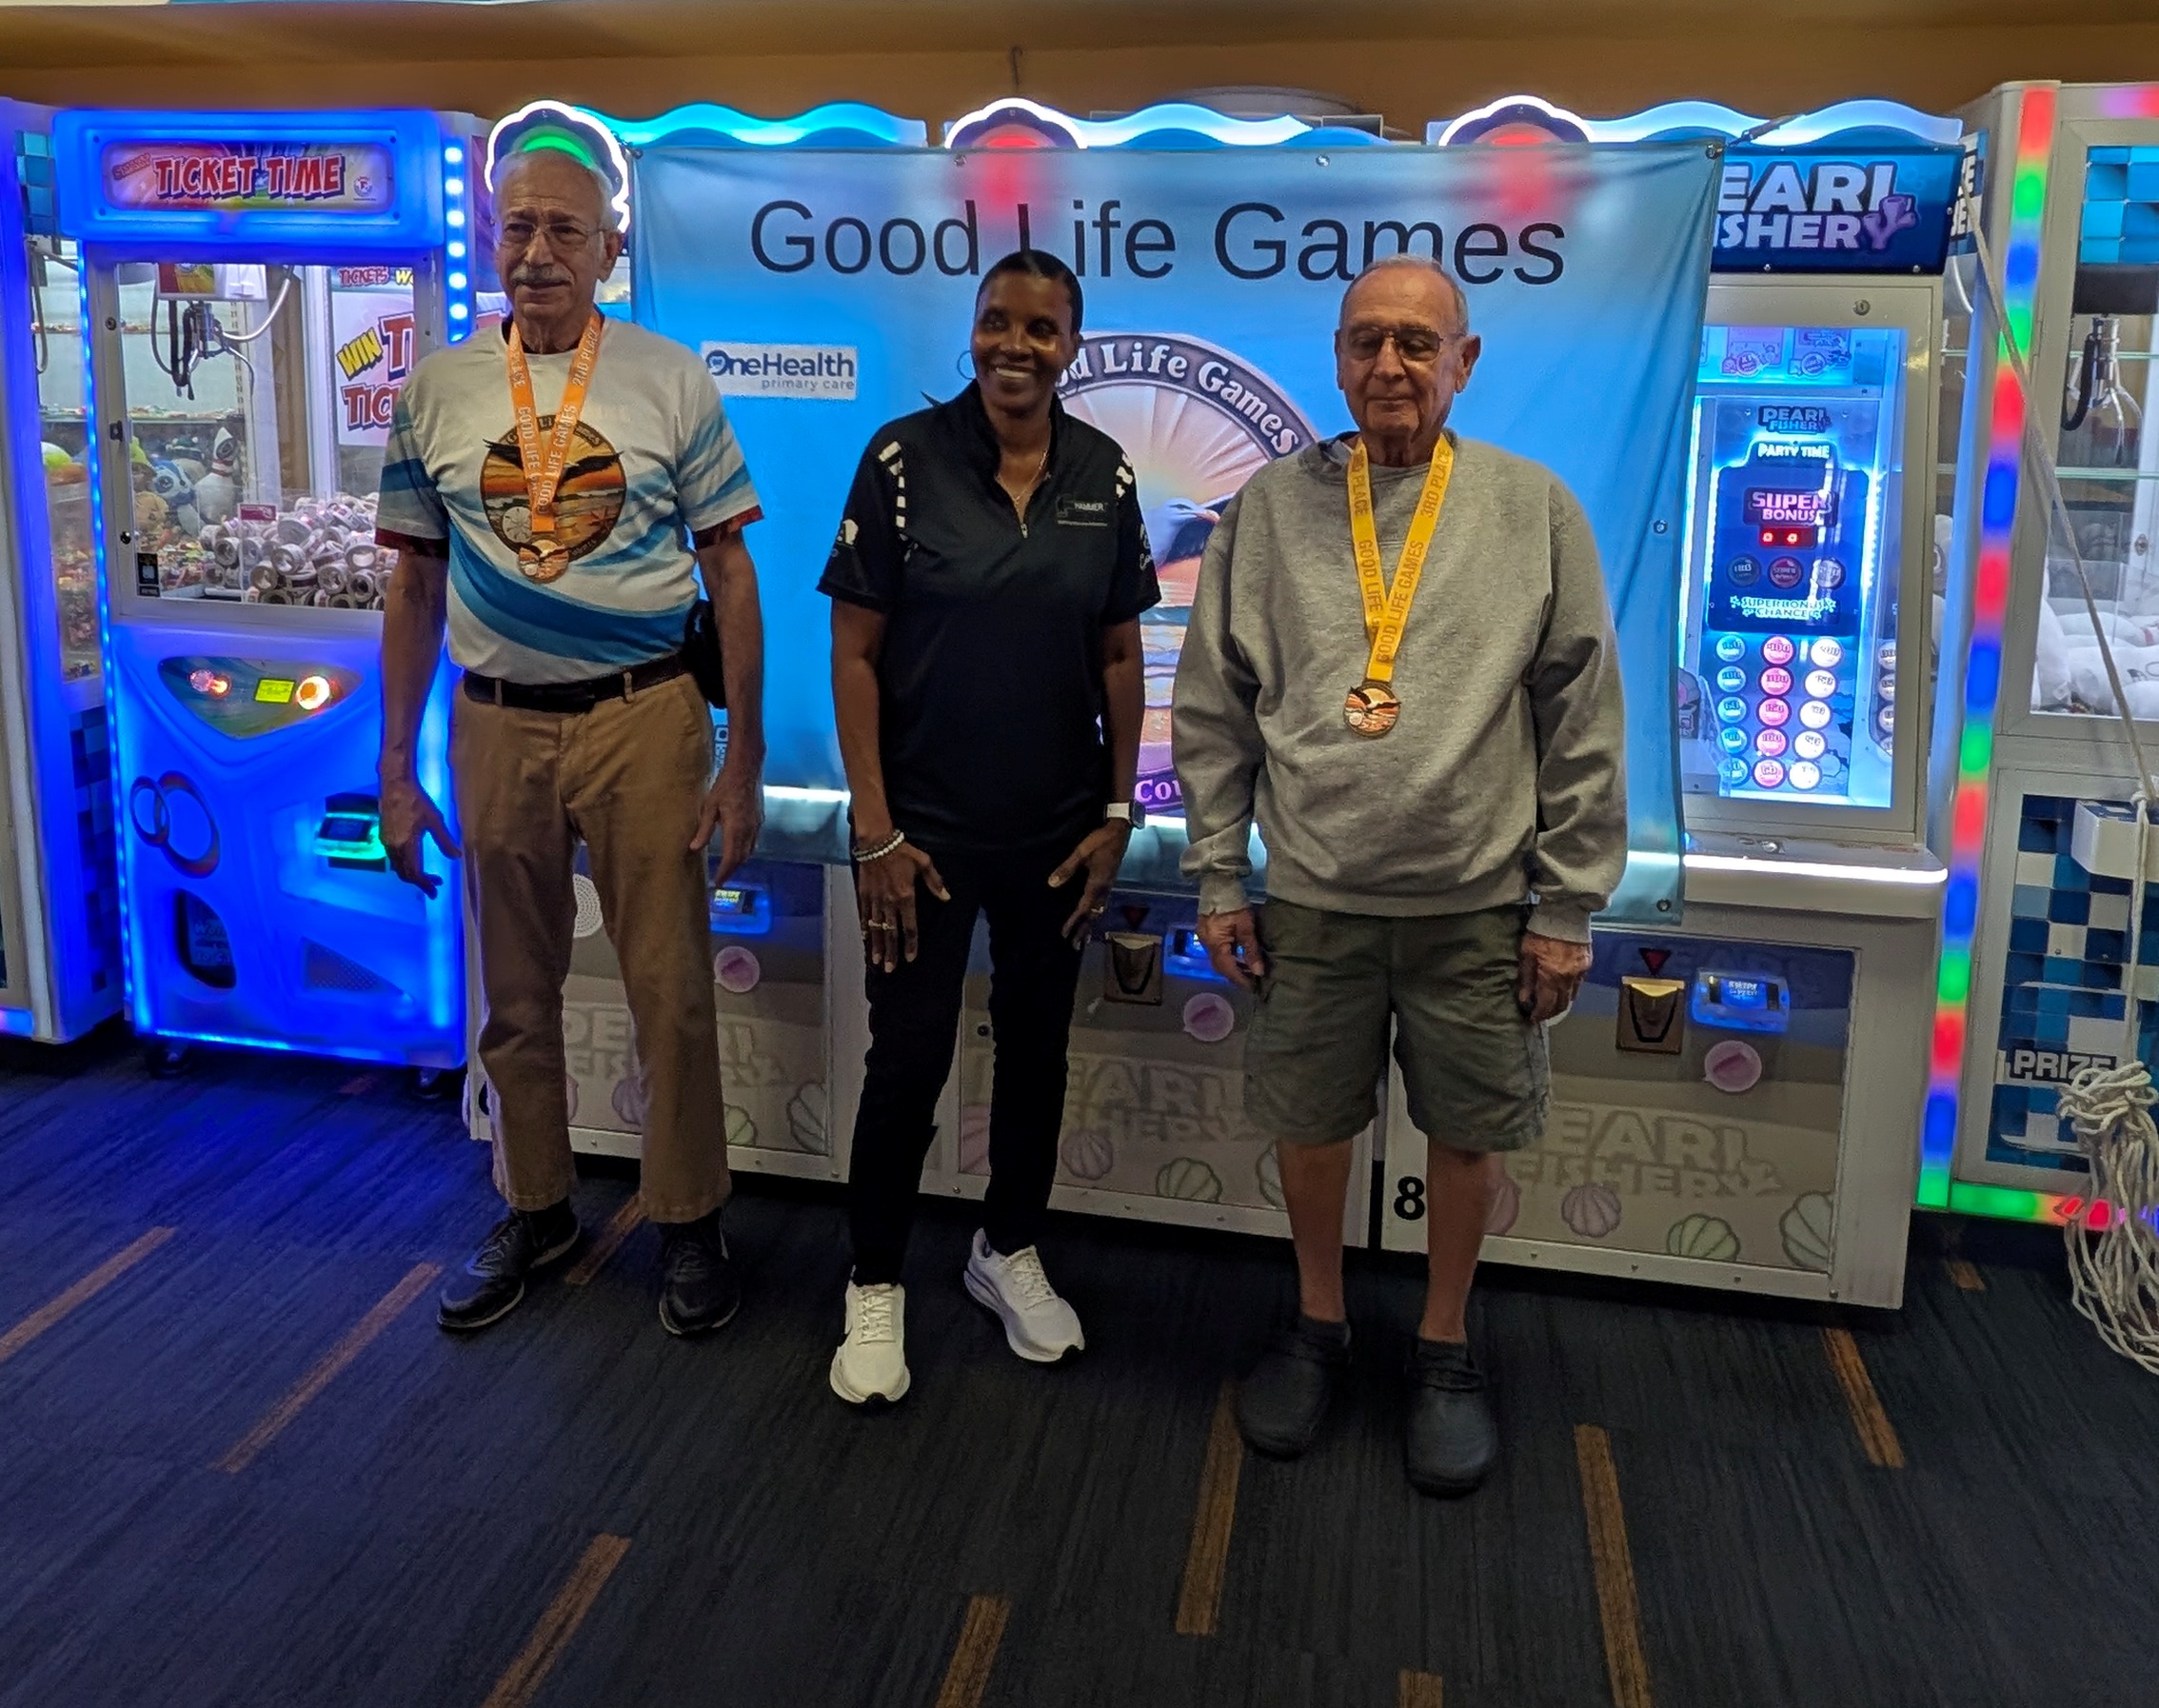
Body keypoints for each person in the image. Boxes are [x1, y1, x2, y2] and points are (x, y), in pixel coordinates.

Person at [1171, 258, 1626, 1497]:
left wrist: (1566, 903)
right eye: (1368, 341)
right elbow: (1213, 706)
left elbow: (1583, 716)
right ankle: (1318, 1322)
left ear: (1464, 363)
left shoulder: (1534, 509)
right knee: (1310, 1125)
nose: (1391, 366)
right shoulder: (1268, 510)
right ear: (1335, 357)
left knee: (1468, 1137)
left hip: (1477, 905)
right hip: (1312, 899)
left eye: (1419, 344)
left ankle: (1444, 1347)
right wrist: (1219, 878)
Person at [375, 110, 766, 1341]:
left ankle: (688, 1218)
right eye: (519, 228)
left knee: (672, 990)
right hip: (496, 725)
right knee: (513, 992)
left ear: (609, 248)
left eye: (565, 229)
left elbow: (732, 572)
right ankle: (536, 1206)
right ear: (492, 240)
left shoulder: (668, 378)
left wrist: (746, 759)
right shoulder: (437, 390)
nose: (538, 252)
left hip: (645, 717)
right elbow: (412, 586)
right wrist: (395, 769)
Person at [819, 248, 1159, 1408]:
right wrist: (875, 829)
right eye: (996, 322)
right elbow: (854, 654)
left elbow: (1121, 655)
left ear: (1072, 344)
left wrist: (1117, 811)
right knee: (908, 1059)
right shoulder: (902, 460)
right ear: (972, 330)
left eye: (1041, 328)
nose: (1016, 345)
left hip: (1055, 837)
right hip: (920, 838)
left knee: (1036, 1052)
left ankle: (1005, 1247)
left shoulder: (1105, 473)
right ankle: (875, 1280)